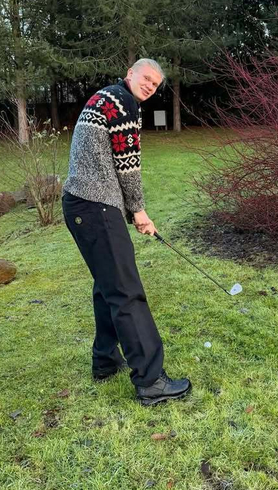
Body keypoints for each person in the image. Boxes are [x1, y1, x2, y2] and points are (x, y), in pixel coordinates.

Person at [61, 58, 191, 406]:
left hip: (80, 205)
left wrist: (130, 212)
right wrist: (139, 210)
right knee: (126, 291)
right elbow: (127, 164)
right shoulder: (122, 103)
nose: (150, 86)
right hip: (95, 206)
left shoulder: (106, 97)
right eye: (146, 78)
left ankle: (105, 360)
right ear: (130, 74)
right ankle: (151, 381)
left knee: (108, 286)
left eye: (155, 84)